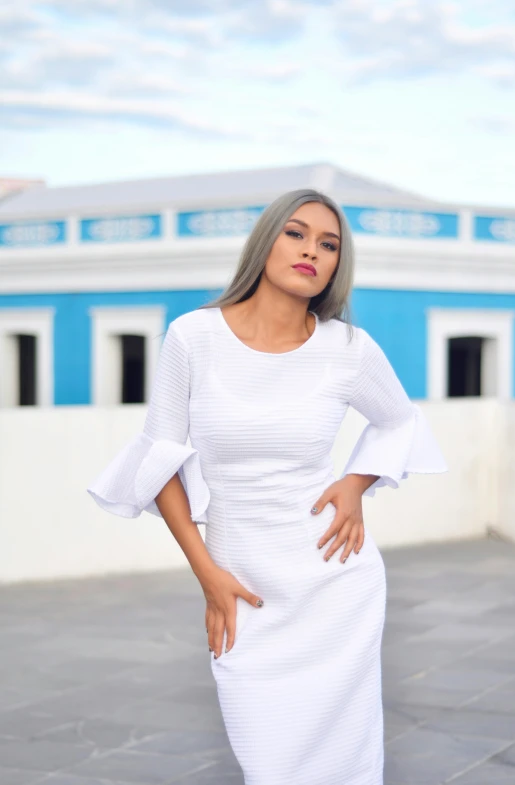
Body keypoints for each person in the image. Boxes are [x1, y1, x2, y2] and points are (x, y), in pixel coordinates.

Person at [87, 188, 448, 785]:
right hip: (241, 578)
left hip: (334, 581)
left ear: (337, 263)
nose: (312, 251)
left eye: (328, 244)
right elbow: (161, 463)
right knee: (269, 757)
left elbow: (400, 418)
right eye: (297, 234)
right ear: (267, 241)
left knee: (344, 760)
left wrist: (356, 483)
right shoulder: (192, 337)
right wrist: (207, 574)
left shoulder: (348, 349)